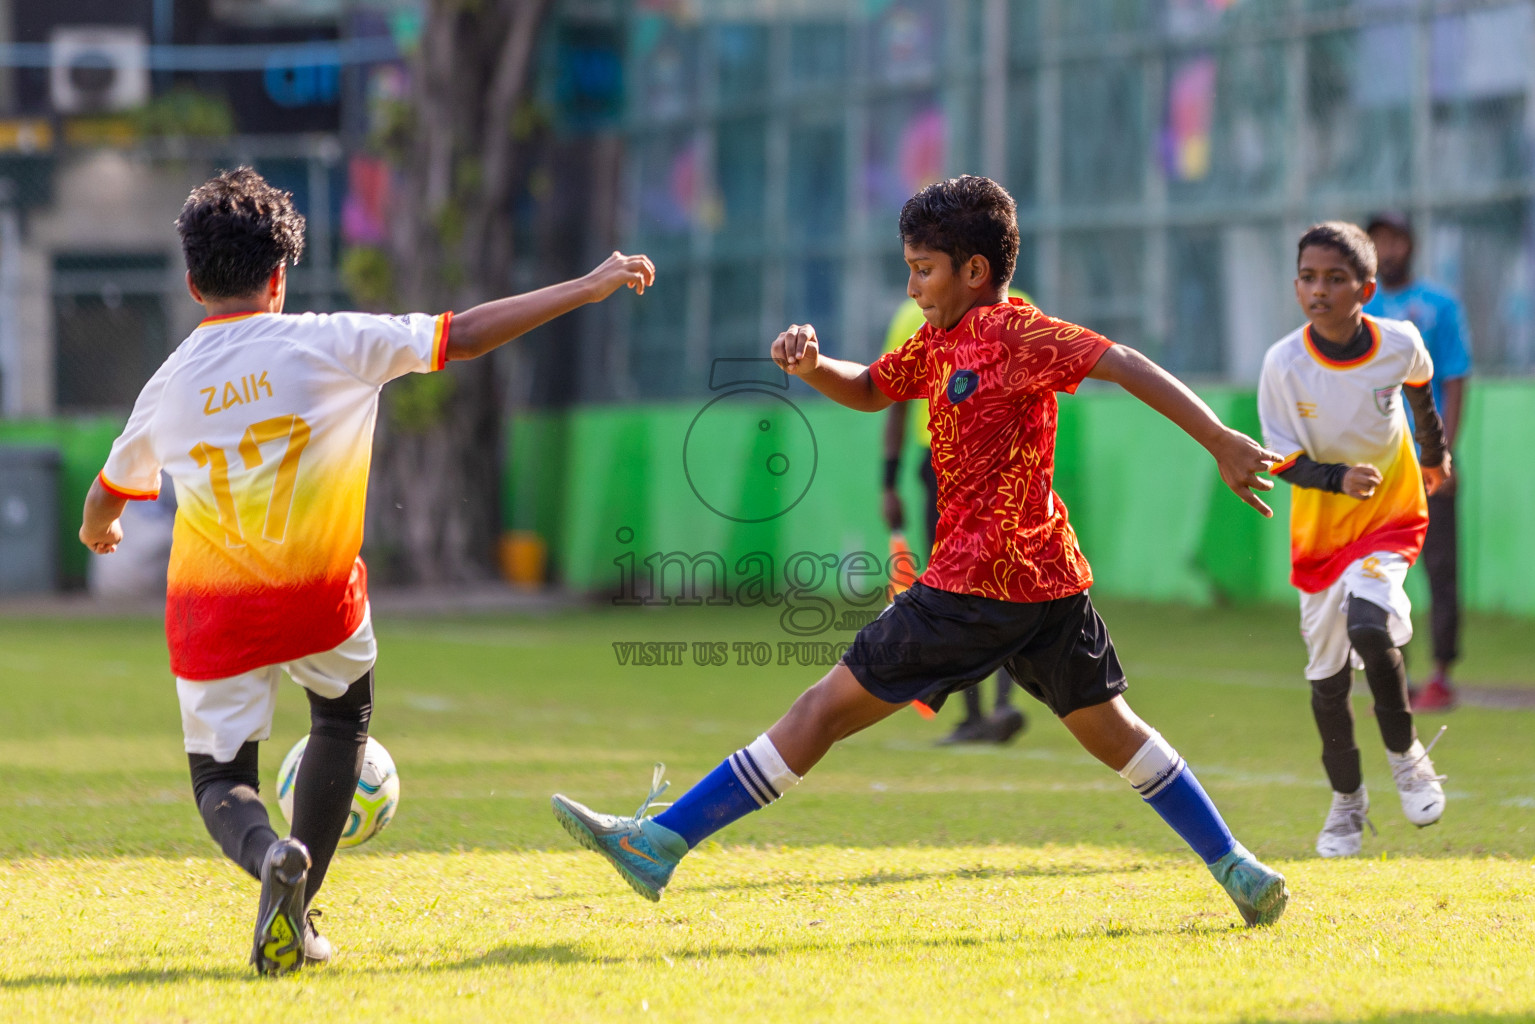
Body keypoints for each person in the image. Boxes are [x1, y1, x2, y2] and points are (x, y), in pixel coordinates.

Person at [552, 175, 1290, 928]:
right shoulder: (939, 340)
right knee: (1114, 731)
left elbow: (1123, 361)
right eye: (908, 266)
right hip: (1047, 583)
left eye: (923, 269)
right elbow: (872, 387)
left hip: (976, 585)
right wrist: (811, 366)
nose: (912, 284)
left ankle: (660, 842)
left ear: (974, 270)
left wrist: (1220, 440)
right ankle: (1235, 866)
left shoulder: (1018, 332)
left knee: (820, 711)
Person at [79, 167, 654, 974]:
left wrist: (97, 531)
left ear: (190, 281)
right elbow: (468, 332)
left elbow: (108, 495)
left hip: (214, 616)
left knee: (220, 779)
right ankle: (298, 909)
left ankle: (271, 858)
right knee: (342, 719)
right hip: (320, 601)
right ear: (280, 277)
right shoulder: (332, 340)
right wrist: (586, 286)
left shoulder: (167, 385)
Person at [1257, 221, 1450, 860]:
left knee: (1370, 624)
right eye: (1309, 278)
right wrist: (1337, 477)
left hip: (1393, 514)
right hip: (1320, 535)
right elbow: (1280, 461)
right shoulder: (1283, 365)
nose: (1319, 290)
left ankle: (1408, 757)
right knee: (1328, 681)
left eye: (1335, 279)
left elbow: (1422, 388)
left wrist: (1434, 454)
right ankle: (1346, 803)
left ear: (1364, 289)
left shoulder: (1399, 342)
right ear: (1296, 285)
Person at [881, 293, 1027, 745]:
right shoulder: (918, 315)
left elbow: (895, 404)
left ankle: (984, 713)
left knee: (965, 587)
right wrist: (888, 480)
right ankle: (989, 710)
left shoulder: (917, 312)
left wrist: (888, 480)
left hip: (979, 466)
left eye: (924, 268)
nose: (915, 284)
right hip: (965, 466)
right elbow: (891, 393)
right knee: (993, 584)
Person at [1363, 212, 1471, 713]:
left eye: (1394, 239)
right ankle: (1395, 675)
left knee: (1441, 567)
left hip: (1427, 462)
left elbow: (1454, 377)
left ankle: (1443, 675)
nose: (1387, 249)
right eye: (1377, 239)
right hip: (1378, 466)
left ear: (1409, 244)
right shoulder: (1362, 309)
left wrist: (1443, 454)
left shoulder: (1438, 306)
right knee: (1380, 570)